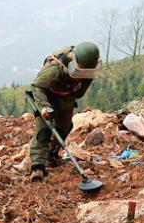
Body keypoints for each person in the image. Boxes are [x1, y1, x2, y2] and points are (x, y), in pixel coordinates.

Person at [26, 42, 100, 182]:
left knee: (64, 127)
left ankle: (52, 156)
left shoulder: (90, 67)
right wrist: (44, 106)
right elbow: (37, 86)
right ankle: (38, 167)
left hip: (67, 95)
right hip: (47, 95)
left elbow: (80, 92)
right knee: (44, 131)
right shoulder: (55, 67)